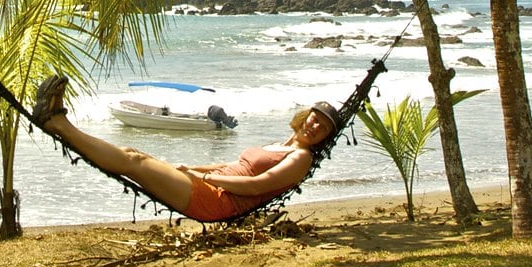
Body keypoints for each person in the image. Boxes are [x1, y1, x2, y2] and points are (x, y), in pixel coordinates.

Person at [31, 75, 340, 222]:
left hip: (218, 202)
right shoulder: (279, 144)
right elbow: (233, 165)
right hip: (210, 186)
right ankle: (59, 123)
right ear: (306, 115)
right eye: (316, 119)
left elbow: (256, 184)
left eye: (323, 128)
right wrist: (194, 170)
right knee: (134, 153)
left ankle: (57, 123)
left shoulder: (300, 157)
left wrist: (203, 178)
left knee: (133, 161)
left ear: (324, 137)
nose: (315, 127)